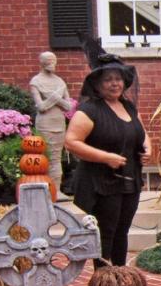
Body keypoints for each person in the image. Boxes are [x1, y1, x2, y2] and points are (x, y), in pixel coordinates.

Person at [65, 43, 151, 268]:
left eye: (118, 78)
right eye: (108, 79)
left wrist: (148, 149)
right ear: (97, 84)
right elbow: (71, 142)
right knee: (106, 234)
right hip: (101, 183)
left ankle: (120, 276)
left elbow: (141, 134)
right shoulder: (89, 110)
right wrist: (105, 157)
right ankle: (104, 282)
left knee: (122, 232)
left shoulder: (128, 107)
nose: (115, 83)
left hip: (129, 180)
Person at [29, 51, 72, 196]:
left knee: (56, 158)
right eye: (48, 60)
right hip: (45, 123)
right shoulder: (36, 82)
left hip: (58, 123)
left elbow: (68, 106)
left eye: (54, 60)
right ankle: (46, 190)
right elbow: (41, 107)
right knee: (45, 157)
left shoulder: (60, 82)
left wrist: (54, 98)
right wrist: (54, 97)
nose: (52, 63)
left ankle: (57, 190)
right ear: (41, 62)